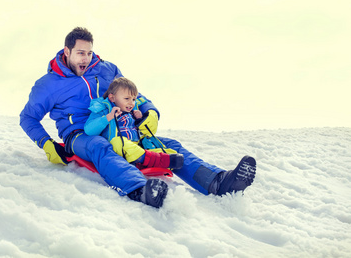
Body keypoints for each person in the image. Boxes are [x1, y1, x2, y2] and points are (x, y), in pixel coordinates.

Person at [20, 27, 256, 209]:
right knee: (99, 145)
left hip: (118, 127)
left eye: (89, 52)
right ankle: (140, 189)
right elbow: (28, 117)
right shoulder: (48, 85)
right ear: (67, 52)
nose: (86, 58)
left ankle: (217, 181)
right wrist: (46, 143)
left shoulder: (106, 69)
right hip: (81, 134)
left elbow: (131, 93)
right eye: (80, 53)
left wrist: (149, 110)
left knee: (167, 145)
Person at [84, 77, 184, 170]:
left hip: (137, 146)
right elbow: (89, 130)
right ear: (112, 98)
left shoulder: (132, 112)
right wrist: (108, 117)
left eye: (133, 99)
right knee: (117, 141)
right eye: (127, 99)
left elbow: (140, 132)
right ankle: (153, 160)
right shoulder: (104, 109)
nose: (131, 103)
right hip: (119, 148)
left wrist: (139, 119)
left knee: (169, 152)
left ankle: (147, 159)